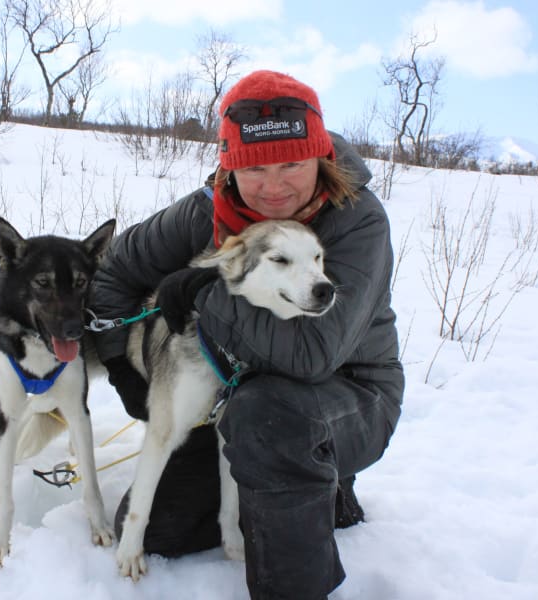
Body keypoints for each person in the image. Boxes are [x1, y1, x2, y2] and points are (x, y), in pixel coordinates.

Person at [89, 69, 404, 600]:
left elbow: (312, 355)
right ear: (229, 167)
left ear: (320, 158)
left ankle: (318, 497)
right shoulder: (206, 209)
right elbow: (115, 272)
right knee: (158, 529)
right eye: (254, 167)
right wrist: (124, 366)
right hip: (227, 391)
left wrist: (209, 291)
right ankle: (276, 484)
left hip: (350, 397)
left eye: (292, 163)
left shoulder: (358, 222)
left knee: (266, 415)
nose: (274, 185)